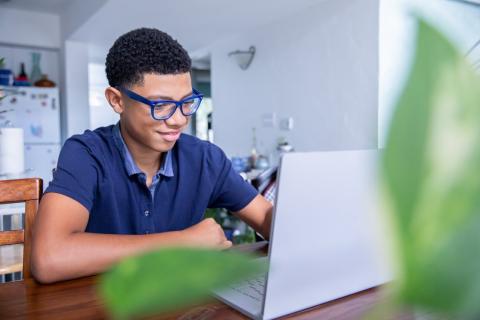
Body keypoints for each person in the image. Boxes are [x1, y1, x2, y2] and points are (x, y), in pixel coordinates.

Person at [31, 28, 273, 284]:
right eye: (161, 105)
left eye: (187, 102)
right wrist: (182, 243)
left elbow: (267, 220)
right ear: (117, 101)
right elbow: (50, 258)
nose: (179, 120)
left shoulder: (204, 159)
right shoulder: (86, 154)